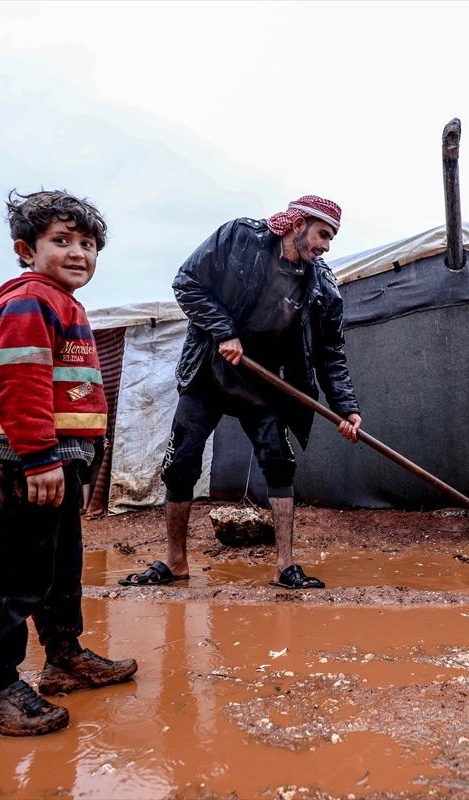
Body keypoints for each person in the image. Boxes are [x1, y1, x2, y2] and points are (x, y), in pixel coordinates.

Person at [0, 189, 137, 737]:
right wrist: (38, 459)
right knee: (15, 577)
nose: (78, 252)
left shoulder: (63, 302)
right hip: (26, 464)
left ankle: (64, 658)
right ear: (25, 248)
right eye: (61, 241)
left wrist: (78, 466)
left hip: (60, 462)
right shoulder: (28, 299)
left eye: (88, 243)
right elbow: (20, 384)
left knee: (59, 570)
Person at [119, 196, 361, 590]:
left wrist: (347, 408)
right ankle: (175, 560)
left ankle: (285, 566)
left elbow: (330, 353)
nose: (326, 246)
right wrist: (224, 330)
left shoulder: (322, 287)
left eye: (332, 239)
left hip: (267, 385)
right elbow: (187, 283)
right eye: (323, 234)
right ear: (297, 223)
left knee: (279, 465)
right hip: (209, 375)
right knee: (180, 464)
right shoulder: (239, 239)